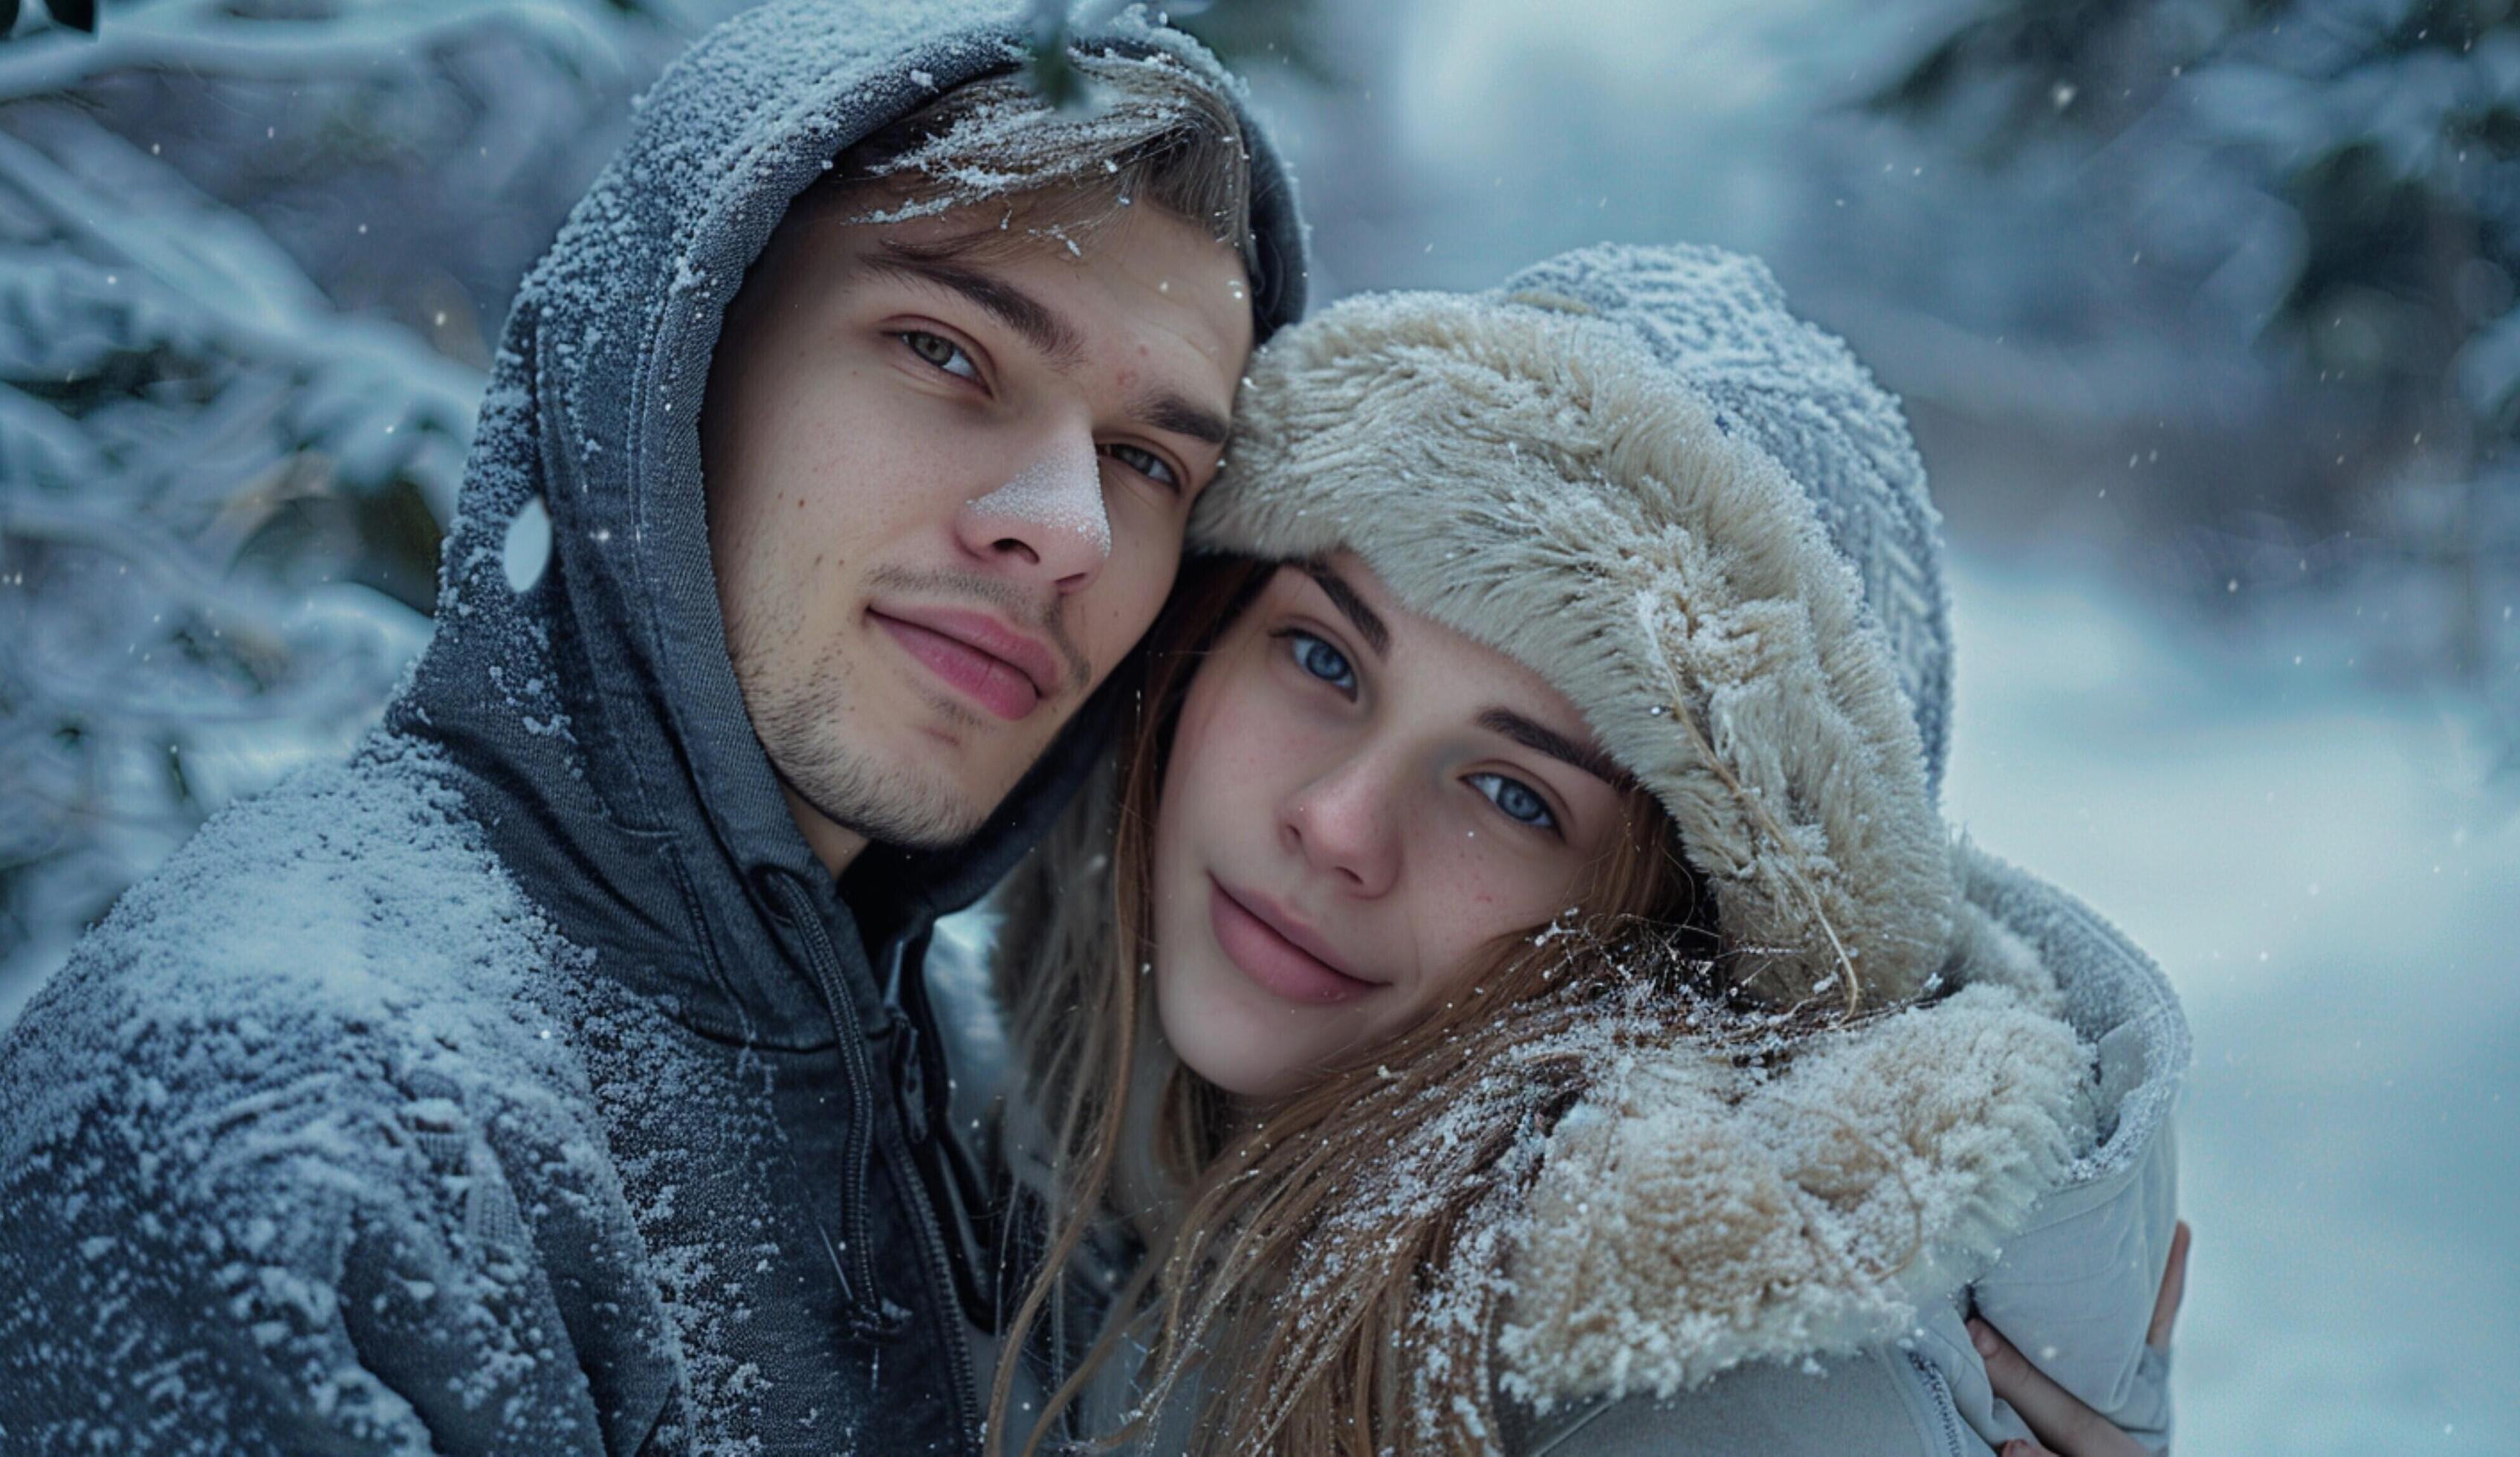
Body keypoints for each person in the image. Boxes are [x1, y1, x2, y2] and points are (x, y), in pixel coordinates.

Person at [0, 1, 1305, 1450]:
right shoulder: (282, 1122)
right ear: (666, 371)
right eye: (945, 351)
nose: (1067, 530)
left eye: (1144, 458)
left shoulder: (988, 1111)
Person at [956, 245, 2188, 1455]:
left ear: (1683, 943)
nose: (1337, 825)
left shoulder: (1728, 1412)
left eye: (1514, 794)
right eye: (1323, 658)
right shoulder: (961, 1114)